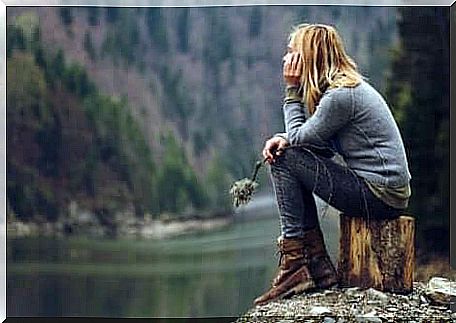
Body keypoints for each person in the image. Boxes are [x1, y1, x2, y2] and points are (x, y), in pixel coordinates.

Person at [255, 23, 412, 306]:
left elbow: (301, 143)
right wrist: (282, 137)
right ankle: (317, 267)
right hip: (383, 191)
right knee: (288, 153)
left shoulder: (341, 95)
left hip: (379, 195)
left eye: (292, 53)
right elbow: (319, 147)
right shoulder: (342, 90)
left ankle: (296, 263)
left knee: (285, 159)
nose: (285, 60)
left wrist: (292, 91)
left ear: (309, 57)